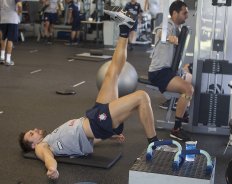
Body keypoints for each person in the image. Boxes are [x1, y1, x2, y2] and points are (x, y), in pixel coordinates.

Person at [19, 6, 159, 180]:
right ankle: (155, 144)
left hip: (94, 119)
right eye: (31, 134)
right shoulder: (42, 147)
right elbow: (48, 159)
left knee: (112, 72)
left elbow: (83, 139)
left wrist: (109, 136)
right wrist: (52, 170)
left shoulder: (50, 138)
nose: (34, 130)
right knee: (142, 97)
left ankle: (124, 28)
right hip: (96, 121)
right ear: (33, 146)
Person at [148, 1, 194, 141]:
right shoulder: (167, 26)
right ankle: (176, 129)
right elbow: (159, 32)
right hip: (159, 72)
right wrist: (167, 37)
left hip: (169, 71)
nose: (187, 16)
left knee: (190, 78)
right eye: (184, 12)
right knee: (188, 89)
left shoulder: (178, 28)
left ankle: (182, 112)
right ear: (174, 13)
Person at [0, 0, 22, 66]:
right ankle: (8, 60)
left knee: (3, 38)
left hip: (3, 19)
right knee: (10, 39)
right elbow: (19, 5)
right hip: (12, 19)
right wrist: (19, 13)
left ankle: (2, 57)